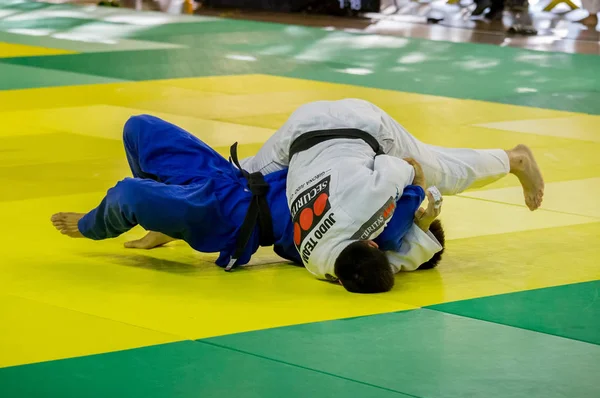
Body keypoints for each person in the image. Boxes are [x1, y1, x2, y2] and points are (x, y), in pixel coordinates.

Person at [51, 115, 445, 288]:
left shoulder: (329, 257)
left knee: (129, 195)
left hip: (228, 216)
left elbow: (414, 236)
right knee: (139, 128)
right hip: (233, 178)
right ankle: (166, 217)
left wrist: (423, 203)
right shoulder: (387, 226)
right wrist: (423, 216)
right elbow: (416, 211)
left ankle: (93, 226)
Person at [241, 98, 544, 293]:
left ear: (371, 243)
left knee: (442, 172)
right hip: (299, 130)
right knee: (242, 179)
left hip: (359, 122)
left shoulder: (368, 210)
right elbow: (378, 263)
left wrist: (420, 186)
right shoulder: (318, 264)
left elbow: (398, 166)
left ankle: (515, 159)